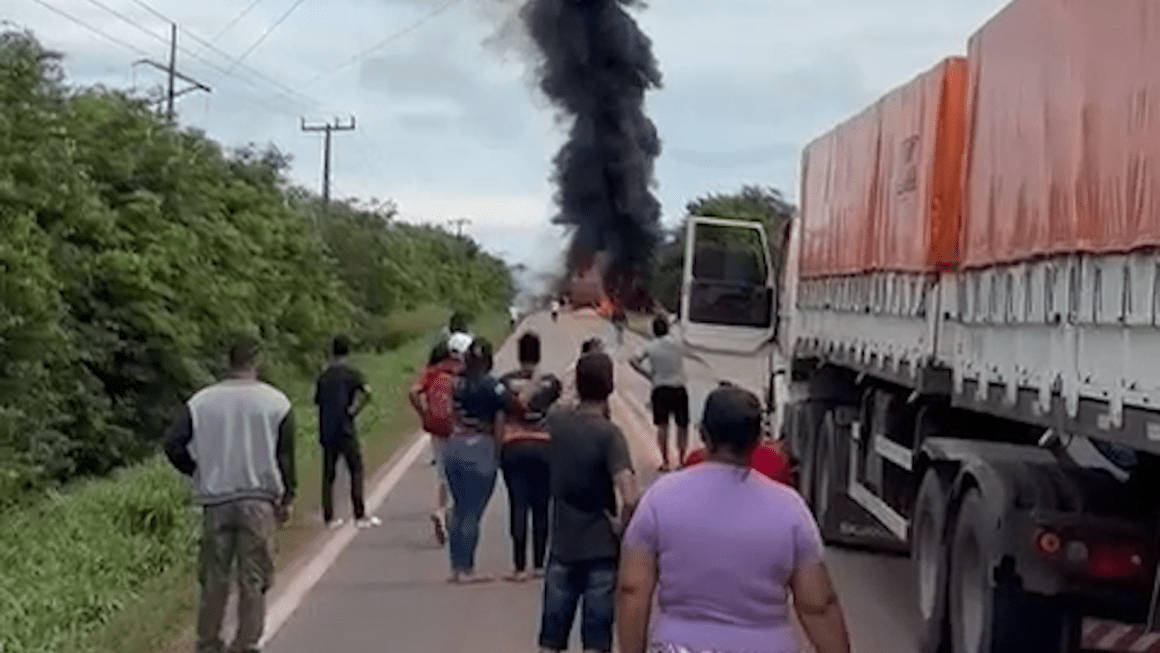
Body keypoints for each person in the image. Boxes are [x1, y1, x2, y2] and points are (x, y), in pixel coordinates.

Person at [617, 386, 852, 653]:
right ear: (758, 441)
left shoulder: (660, 498)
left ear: (704, 434)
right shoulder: (790, 509)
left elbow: (632, 589)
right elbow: (818, 606)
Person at [163, 336, 296, 653]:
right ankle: (246, 643)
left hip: (216, 500)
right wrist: (287, 497)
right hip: (259, 501)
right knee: (253, 577)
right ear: (257, 362)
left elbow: (173, 444)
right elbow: (285, 457)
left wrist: (197, 470)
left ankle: (209, 642)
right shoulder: (277, 403)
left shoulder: (201, 402)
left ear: (227, 363)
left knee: (214, 577)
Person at [539, 352, 640, 653]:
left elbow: (545, 400)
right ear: (610, 387)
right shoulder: (609, 435)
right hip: (600, 548)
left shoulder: (557, 423)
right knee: (596, 640)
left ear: (578, 384)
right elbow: (631, 495)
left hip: (562, 546)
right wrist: (621, 526)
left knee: (551, 639)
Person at [498, 332, 562, 582]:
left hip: (513, 447)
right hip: (544, 447)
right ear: (538, 354)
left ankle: (519, 566)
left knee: (518, 505)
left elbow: (501, 414)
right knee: (541, 507)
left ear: (518, 354)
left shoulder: (504, 383)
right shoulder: (550, 382)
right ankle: (538, 565)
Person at [445, 337, 508, 583]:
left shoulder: (457, 385)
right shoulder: (494, 387)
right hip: (480, 446)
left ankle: (455, 566)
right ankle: (466, 569)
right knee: (472, 511)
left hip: (455, 444)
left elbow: (452, 414)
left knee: (459, 508)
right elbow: (500, 423)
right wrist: (498, 452)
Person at [315, 334, 380, 529]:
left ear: (331, 351)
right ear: (348, 352)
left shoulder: (324, 376)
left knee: (328, 474)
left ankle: (329, 517)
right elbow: (368, 393)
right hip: (346, 427)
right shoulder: (352, 374)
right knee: (356, 470)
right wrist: (354, 410)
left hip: (327, 428)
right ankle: (359, 515)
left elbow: (318, 402)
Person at [410, 340, 462, 544]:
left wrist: (424, 414)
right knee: (458, 473)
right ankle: (448, 514)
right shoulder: (458, 370)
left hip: (436, 428)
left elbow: (413, 392)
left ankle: (441, 510)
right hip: (457, 427)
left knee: (443, 473)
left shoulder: (430, 373)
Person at [630, 316, 690, 471]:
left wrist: (648, 374)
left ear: (653, 331)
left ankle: (665, 461)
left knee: (663, 427)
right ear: (667, 329)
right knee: (682, 426)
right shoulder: (677, 343)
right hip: (679, 387)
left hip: (660, 388)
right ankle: (682, 460)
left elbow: (633, 360)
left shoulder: (650, 347)